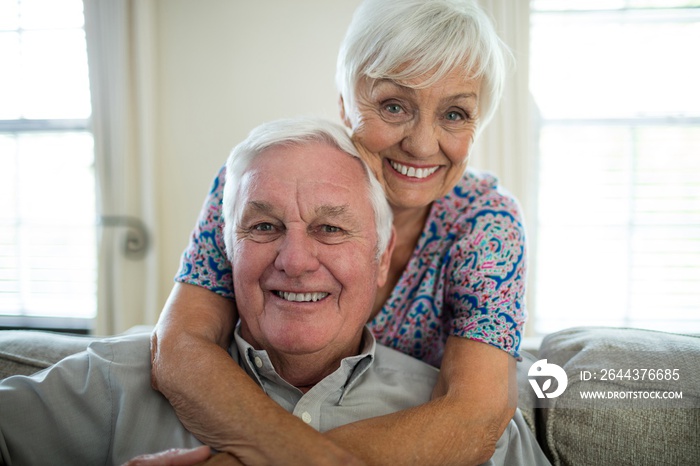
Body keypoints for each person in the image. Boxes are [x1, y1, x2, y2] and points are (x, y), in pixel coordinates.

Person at [0, 118, 547, 466]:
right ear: (225, 250)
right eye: (263, 227)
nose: (295, 261)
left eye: (330, 229)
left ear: (383, 261)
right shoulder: (109, 383)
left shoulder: (477, 434)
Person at [152, 0, 527, 464]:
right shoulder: (262, 178)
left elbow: (476, 415)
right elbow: (179, 346)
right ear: (346, 103)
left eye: (454, 115)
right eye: (394, 105)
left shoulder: (485, 225)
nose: (423, 144)